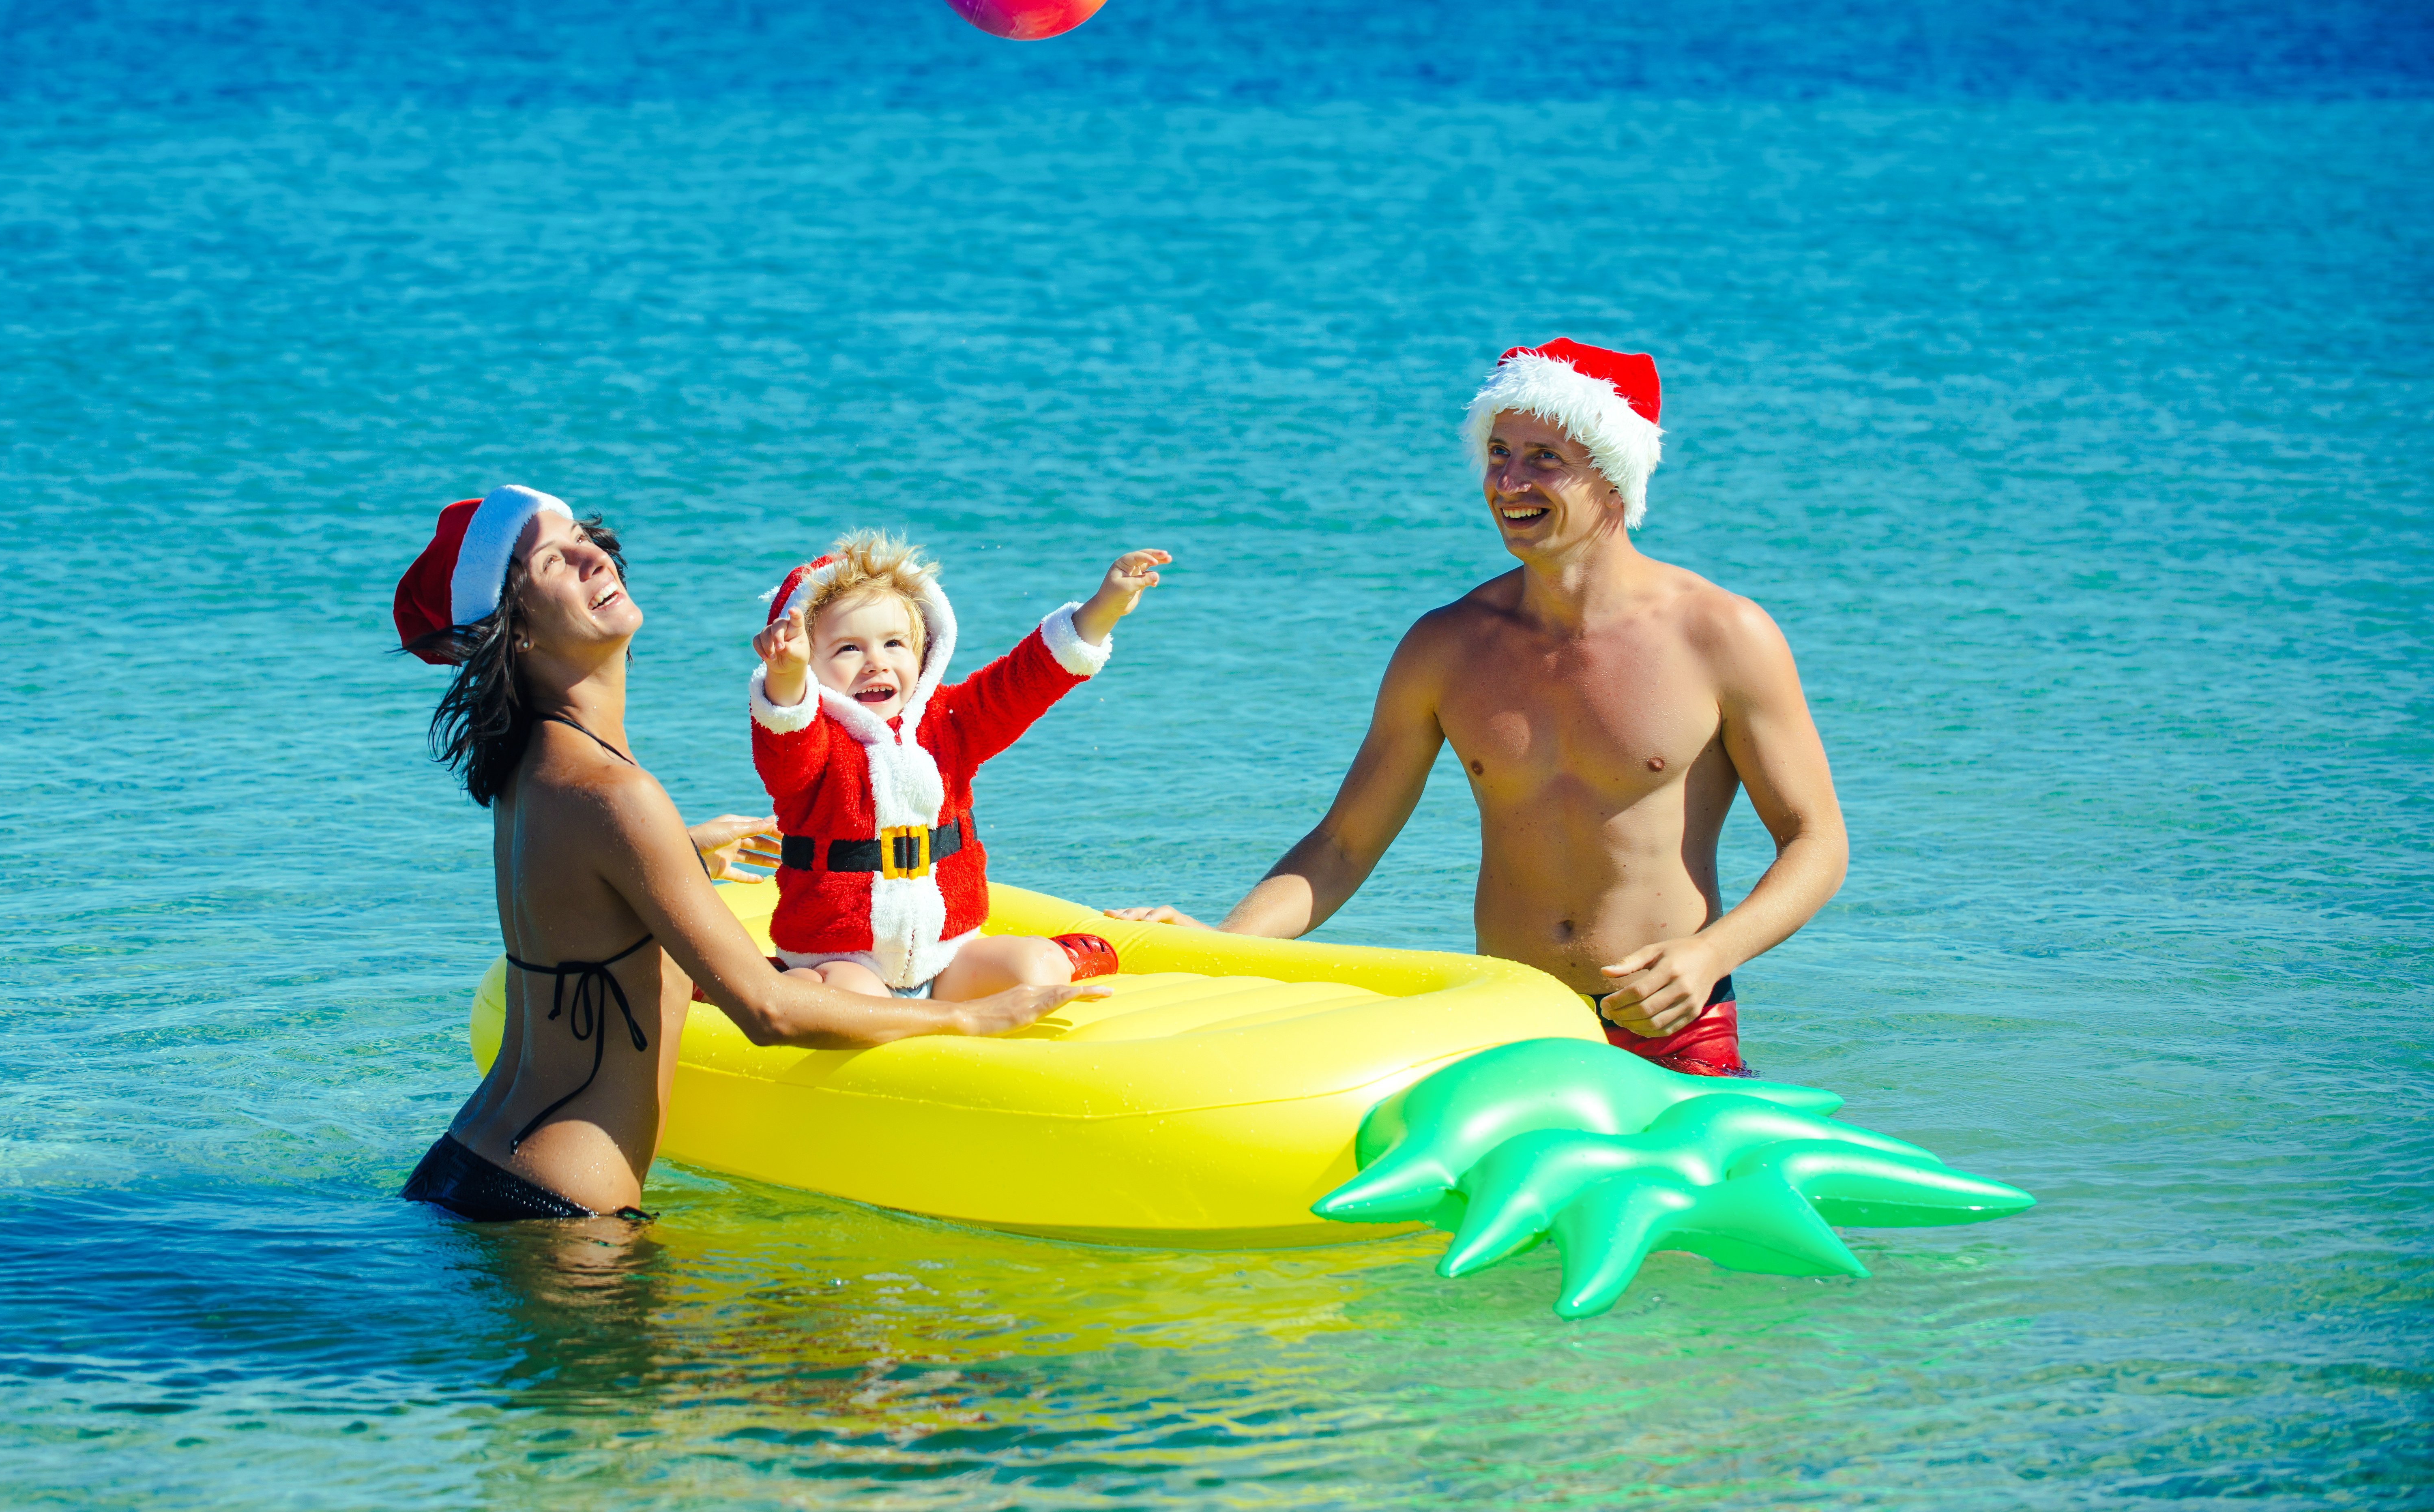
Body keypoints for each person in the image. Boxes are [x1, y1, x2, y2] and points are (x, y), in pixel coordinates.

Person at [1107, 340, 1846, 1077]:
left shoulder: (1721, 635)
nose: (1508, 481)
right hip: (1510, 1022)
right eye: (1499, 452)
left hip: (1671, 1025)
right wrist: (1222, 950)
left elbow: (1814, 839)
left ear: (1614, 473)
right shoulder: (1447, 647)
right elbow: (1343, 847)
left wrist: (1711, 952)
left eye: (1543, 459)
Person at [391, 485, 1104, 1223]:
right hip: (561, 1214)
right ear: (518, 633)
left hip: (475, 1165)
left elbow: (573, 890)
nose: (590, 556)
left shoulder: (535, 768)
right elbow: (769, 1011)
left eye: (582, 536)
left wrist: (682, 852)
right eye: (552, 561)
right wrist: (972, 1021)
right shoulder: (615, 795)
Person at [747, 531, 1166, 999]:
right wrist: (786, 674)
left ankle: (1062, 956)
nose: (875, 664)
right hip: (841, 959)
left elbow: (1024, 680)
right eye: (848, 649)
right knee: (853, 1002)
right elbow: (784, 732)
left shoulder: (949, 722)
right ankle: (769, 981)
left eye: (894, 644)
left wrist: (1102, 610)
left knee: (1035, 969)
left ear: (926, 650)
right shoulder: (811, 744)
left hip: (947, 955)